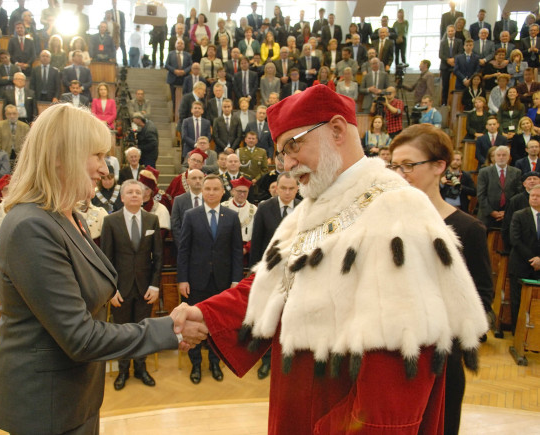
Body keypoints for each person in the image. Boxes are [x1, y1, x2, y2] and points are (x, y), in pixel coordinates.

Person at [171, 84, 488, 434]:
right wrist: (208, 315)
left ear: (337, 130)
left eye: (294, 146)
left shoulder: (398, 211)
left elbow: (396, 381)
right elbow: (275, 283)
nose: (287, 165)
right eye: (281, 152)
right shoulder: (313, 207)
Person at [0, 104, 205, 433]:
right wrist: (169, 330)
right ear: (63, 156)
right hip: (44, 406)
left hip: (76, 396)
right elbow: (80, 337)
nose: (105, 169)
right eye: (97, 155)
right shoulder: (29, 227)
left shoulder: (68, 216)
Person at [389, 124, 493, 434]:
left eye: (409, 165)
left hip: (441, 364)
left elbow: (482, 301)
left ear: (439, 166)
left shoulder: (468, 230)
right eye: (395, 166)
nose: (400, 173)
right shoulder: (384, 225)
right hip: (389, 361)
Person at [177, 174, 243, 384]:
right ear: (202, 192)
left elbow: (236, 251)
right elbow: (184, 250)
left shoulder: (231, 216)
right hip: (196, 280)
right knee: (193, 323)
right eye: (208, 189)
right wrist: (183, 279)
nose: (212, 193)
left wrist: (235, 280)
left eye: (216, 189)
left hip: (223, 282)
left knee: (217, 326)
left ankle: (215, 363)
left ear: (223, 192)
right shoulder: (191, 215)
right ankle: (195, 365)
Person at [100, 179, 162, 391]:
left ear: (144, 196)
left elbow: (159, 258)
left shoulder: (152, 220)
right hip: (120, 290)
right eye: (130, 192)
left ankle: (141, 369)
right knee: (123, 332)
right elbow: (106, 259)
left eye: (138, 192)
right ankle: (123, 370)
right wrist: (111, 290)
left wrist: (155, 286)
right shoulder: (110, 221)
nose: (135, 195)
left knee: (143, 331)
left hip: (146, 289)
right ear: (122, 197)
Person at [509, 185, 540, 336]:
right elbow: (515, 240)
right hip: (521, 264)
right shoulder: (519, 215)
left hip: (539, 266)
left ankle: (533, 335)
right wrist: (532, 259)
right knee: (518, 301)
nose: (534, 198)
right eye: (532, 195)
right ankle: (518, 333)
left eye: (537, 196)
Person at [477, 145, 523, 228]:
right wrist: (491, 212)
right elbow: (481, 195)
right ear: (494, 157)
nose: (501, 157)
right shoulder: (484, 172)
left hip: (508, 214)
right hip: (487, 215)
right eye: (498, 155)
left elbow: (518, 194)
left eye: (504, 155)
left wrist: (507, 212)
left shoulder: (516, 172)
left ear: (509, 157)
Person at [170, 169, 205, 247]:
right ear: (188, 181)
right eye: (194, 178)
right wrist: (182, 246)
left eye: (200, 178)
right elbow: (175, 226)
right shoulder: (179, 200)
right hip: (185, 246)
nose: (198, 181)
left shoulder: (210, 199)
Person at [439, 25, 463, 106]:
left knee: (456, 85)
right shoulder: (443, 42)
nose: (450, 32)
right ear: (447, 32)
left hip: (455, 66)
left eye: (452, 31)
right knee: (445, 85)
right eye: (449, 31)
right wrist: (448, 60)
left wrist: (454, 59)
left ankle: (454, 102)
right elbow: (440, 54)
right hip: (445, 66)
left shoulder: (459, 41)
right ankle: (444, 102)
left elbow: (460, 52)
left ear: (455, 31)